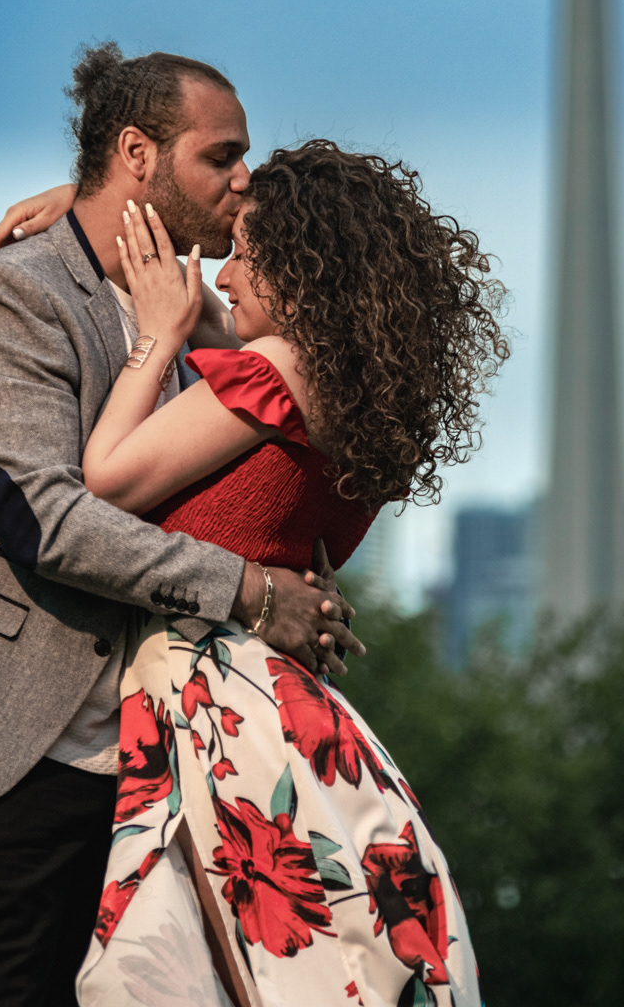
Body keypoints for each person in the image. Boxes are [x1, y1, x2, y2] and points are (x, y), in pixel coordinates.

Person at [0, 45, 360, 1007]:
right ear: (138, 156)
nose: (244, 179)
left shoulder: (196, 324)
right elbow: (42, 517)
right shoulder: (12, 295)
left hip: (135, 768)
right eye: (221, 155)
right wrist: (250, 593)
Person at [30, 138, 509, 1007]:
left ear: (300, 267)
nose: (223, 275)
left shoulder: (276, 374)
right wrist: (88, 204)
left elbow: (105, 480)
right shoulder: (346, 385)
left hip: (215, 698)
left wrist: (154, 338)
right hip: (268, 699)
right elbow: (210, 306)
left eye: (245, 255)